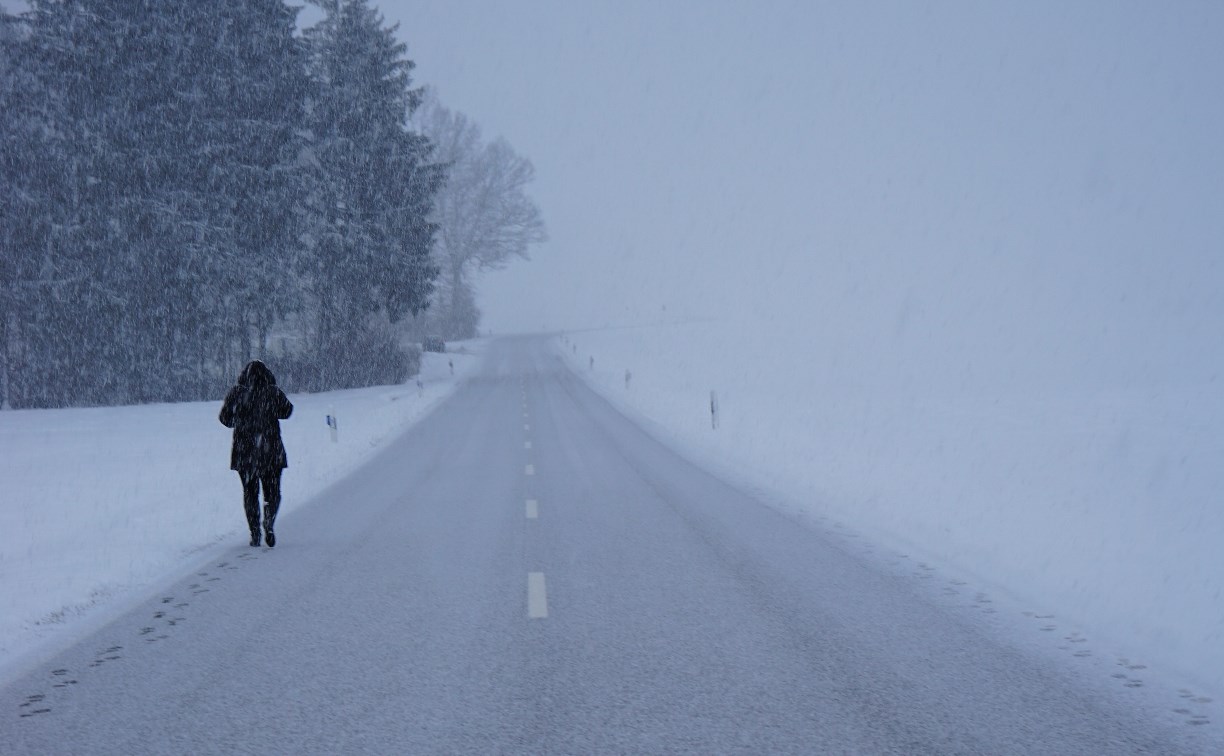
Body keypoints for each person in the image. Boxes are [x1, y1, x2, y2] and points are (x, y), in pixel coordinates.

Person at [219, 360, 293, 547]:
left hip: (245, 453)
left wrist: (241, 421)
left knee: (250, 493)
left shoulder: (237, 393)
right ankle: (269, 520)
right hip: (271, 451)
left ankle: (254, 532)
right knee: (273, 492)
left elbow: (224, 419)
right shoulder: (273, 392)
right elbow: (287, 411)